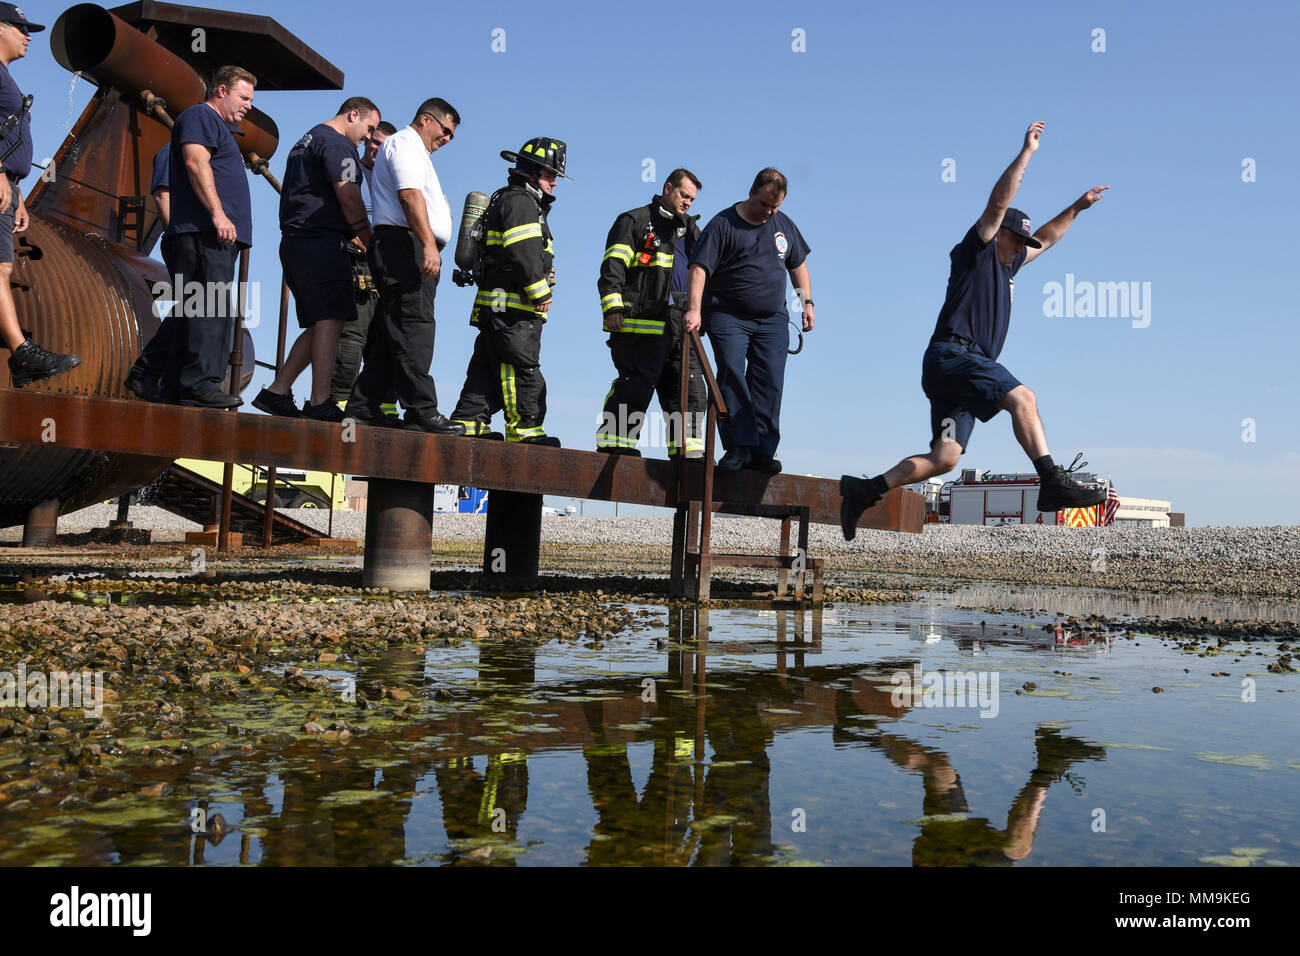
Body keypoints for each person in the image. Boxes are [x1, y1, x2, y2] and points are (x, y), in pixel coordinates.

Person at [839, 122, 1110, 539]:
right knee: (1024, 397)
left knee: (945, 457)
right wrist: (1027, 154)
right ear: (999, 233)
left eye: (1024, 244)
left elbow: (1047, 239)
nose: (1022, 247)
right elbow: (999, 201)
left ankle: (865, 490)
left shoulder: (1010, 265)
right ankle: (1052, 480)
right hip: (955, 355)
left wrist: (1076, 207)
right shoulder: (977, 251)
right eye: (1016, 240)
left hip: (955, 377)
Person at [125, 65, 255, 408]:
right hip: (204, 231)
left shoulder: (219, 128)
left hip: (213, 235)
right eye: (244, 97)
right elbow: (196, 163)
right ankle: (199, 382)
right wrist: (218, 214)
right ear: (221, 91)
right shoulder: (201, 117)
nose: (249, 105)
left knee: (193, 307)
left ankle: (156, 377)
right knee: (210, 305)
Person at [251, 97, 381, 421]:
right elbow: (349, 196)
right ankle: (320, 401)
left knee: (320, 321)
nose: (368, 137)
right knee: (331, 319)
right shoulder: (338, 146)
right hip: (319, 244)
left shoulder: (307, 140)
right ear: (353, 114)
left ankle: (277, 391)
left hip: (299, 242)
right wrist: (370, 242)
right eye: (368, 128)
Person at [342, 98, 463, 434]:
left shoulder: (412, 150)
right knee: (415, 327)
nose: (447, 139)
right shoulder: (406, 145)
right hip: (405, 244)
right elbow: (410, 196)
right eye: (446, 130)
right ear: (427, 119)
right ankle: (421, 411)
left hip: (403, 243)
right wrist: (427, 244)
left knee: (391, 330)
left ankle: (361, 407)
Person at [683, 168, 813, 474]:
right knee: (731, 371)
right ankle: (739, 447)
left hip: (772, 319)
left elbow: (798, 266)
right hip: (728, 314)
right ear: (752, 191)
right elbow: (699, 269)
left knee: (770, 381)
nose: (769, 212)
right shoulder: (723, 225)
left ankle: (762, 451)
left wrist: (806, 302)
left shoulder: (783, 225)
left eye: (775, 207)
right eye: (764, 204)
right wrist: (694, 309)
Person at [449, 137, 568, 446]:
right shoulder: (521, 202)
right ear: (530, 172)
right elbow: (523, 252)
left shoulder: (514, 200)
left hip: (495, 307)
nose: (554, 182)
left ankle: (469, 420)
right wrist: (541, 293)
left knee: (487, 366)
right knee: (521, 364)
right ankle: (525, 429)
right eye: (549, 175)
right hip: (513, 310)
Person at [595, 168, 707, 459]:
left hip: (681, 325)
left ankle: (688, 452)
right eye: (684, 195)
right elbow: (613, 267)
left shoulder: (691, 231)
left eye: (692, 200)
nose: (687, 204)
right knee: (635, 384)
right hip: (641, 324)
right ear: (668, 187)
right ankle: (614, 442)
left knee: (689, 388)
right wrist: (612, 308)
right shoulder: (634, 221)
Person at [0, 5, 80, 388]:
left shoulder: (6, 77)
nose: (28, 35)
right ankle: (21, 352)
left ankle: (21, 356)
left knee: (4, 268)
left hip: (7, 189)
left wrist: (18, 195)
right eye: (20, 28)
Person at [329, 119, 399, 409]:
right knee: (350, 337)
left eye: (382, 145)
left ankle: (377, 406)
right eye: (373, 141)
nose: (375, 148)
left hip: (385, 268)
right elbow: (341, 208)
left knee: (386, 339)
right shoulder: (350, 170)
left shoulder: (396, 181)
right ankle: (339, 402)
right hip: (354, 263)